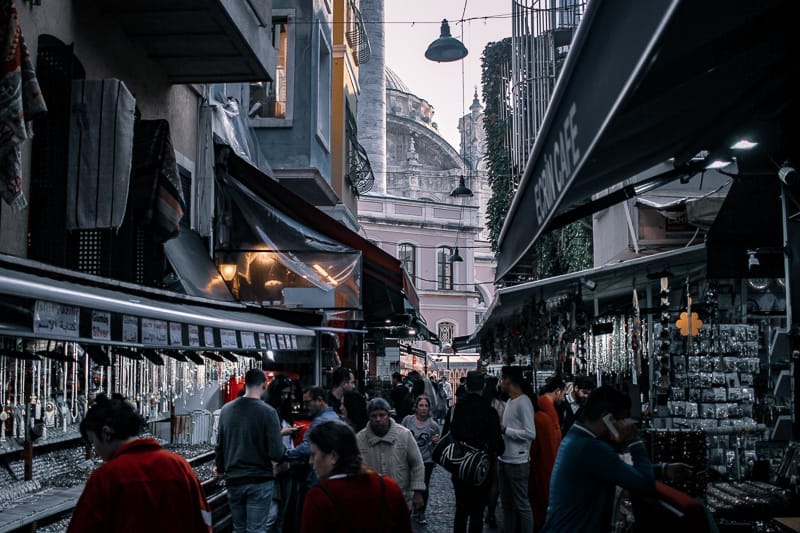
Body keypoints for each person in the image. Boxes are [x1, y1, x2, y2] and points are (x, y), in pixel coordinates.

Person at [68, 393, 212, 532]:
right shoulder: (179, 466)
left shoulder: (106, 478)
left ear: (106, 433)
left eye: (93, 443)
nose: (96, 451)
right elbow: (202, 521)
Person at [541, 386, 656, 532]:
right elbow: (645, 484)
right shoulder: (591, 448)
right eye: (621, 419)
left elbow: (616, 469)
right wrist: (634, 440)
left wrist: (662, 470)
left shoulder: (576, 436)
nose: (624, 425)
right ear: (608, 418)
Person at [300, 420, 412, 532]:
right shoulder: (388, 487)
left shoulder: (319, 497)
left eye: (314, 454)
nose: (311, 461)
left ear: (333, 456)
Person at [215, 368, 285, 533]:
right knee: (256, 530)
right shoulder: (269, 412)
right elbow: (276, 452)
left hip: (234, 481)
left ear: (245, 383)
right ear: (264, 385)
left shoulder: (226, 410)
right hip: (259, 480)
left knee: (238, 528)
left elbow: (220, 446)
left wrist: (220, 469)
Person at [444, 371, 504, 533]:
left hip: (459, 466)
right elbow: (498, 445)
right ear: (483, 387)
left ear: (466, 386)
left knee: (461, 510)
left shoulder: (455, 410)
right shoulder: (490, 412)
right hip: (481, 469)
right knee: (477, 513)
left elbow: (445, 437)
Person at [356, 397, 426, 513]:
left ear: (388, 415)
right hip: (371, 502)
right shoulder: (360, 439)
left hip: (400, 499)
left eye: (382, 415)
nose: (378, 419)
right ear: (369, 417)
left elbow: (417, 464)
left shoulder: (404, 435)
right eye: (374, 416)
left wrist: (417, 492)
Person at [498, 365, 536, 533]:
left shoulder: (524, 402)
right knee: (507, 504)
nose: (500, 383)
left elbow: (530, 433)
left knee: (522, 504)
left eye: (502, 379)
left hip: (518, 461)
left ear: (508, 380)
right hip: (504, 458)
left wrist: (506, 430)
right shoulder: (509, 401)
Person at [264, 376, 300, 533]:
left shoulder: (283, 412)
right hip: (273, 469)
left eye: (289, 394)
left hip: (286, 467)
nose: (287, 397)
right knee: (272, 514)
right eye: (284, 393)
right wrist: (282, 433)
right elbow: (264, 439)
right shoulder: (269, 412)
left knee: (281, 515)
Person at [400, 394, 441, 525]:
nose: (423, 408)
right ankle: (408, 507)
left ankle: (421, 511)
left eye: (426, 406)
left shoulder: (433, 425)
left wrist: (436, 442)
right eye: (421, 405)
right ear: (416, 407)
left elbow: (437, 446)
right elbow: (400, 433)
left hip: (426, 460)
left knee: (424, 486)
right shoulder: (408, 420)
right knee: (407, 483)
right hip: (409, 459)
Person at [528, 394, 560, 531]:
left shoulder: (537, 419)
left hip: (539, 467)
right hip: (549, 465)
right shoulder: (545, 417)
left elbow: (534, 449)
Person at [483, 374, 505, 528]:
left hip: (480, 448)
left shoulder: (481, 404)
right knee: (495, 483)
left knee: (484, 481)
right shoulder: (501, 405)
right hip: (495, 447)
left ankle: (484, 510)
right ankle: (490, 513)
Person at [537, 375, 565, 443]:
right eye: (564, 395)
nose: (564, 399)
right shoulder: (548, 408)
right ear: (558, 391)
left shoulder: (543, 403)